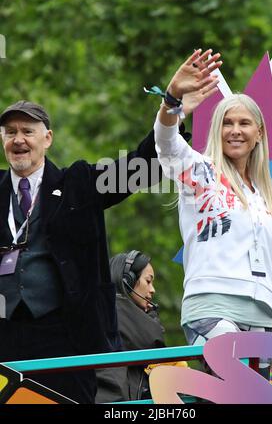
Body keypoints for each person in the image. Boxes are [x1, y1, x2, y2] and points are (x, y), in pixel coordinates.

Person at [0, 98, 191, 403]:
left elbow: (140, 167)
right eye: (10, 132)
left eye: (27, 131)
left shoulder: (78, 182)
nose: (18, 139)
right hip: (6, 336)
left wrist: (171, 109)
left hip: (65, 337)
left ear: (47, 138)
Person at [153, 49, 272, 381]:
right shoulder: (202, 174)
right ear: (216, 131)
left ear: (259, 133)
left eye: (244, 123)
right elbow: (167, 146)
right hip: (211, 306)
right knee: (237, 387)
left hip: (259, 314)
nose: (235, 130)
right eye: (227, 123)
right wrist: (171, 100)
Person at [96, 250, 164, 403]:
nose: (152, 290)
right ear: (127, 280)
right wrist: (152, 316)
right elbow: (153, 341)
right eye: (148, 281)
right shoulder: (115, 308)